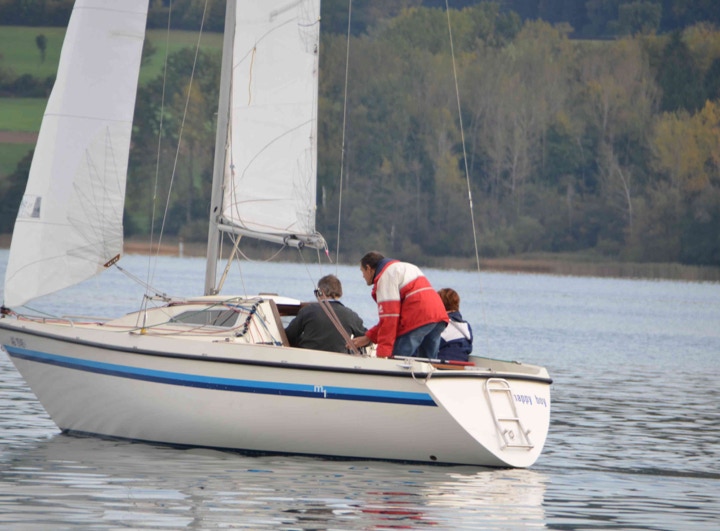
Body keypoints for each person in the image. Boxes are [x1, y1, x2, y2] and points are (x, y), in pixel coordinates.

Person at [350, 251, 448, 358]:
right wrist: (369, 337)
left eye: (362, 271)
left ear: (369, 268)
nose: (363, 276)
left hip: (418, 317)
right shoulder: (405, 267)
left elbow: (390, 319)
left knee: (397, 358)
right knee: (428, 361)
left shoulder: (386, 276)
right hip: (438, 314)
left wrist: (383, 353)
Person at [284, 274, 366, 353]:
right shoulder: (351, 315)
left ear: (321, 292)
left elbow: (289, 335)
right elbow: (367, 338)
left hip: (308, 358)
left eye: (316, 292)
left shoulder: (307, 311)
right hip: (339, 359)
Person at [437, 288, 473, 362]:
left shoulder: (443, 324)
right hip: (462, 363)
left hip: (443, 363)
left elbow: (429, 346)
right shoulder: (466, 326)